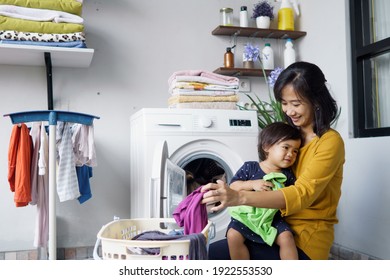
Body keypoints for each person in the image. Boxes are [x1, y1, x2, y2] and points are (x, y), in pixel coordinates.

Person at [202, 61, 345, 260]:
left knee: (212, 256)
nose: (289, 111)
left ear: (316, 100)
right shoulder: (289, 137)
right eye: (284, 103)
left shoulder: (329, 142)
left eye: (296, 104)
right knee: (207, 251)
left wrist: (239, 197)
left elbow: (301, 194)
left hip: (304, 239)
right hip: (268, 226)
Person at [227, 122, 301, 260]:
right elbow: (233, 187)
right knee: (233, 236)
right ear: (267, 147)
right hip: (246, 217)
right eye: (286, 147)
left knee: (287, 237)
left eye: (295, 151)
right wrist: (251, 184)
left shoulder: (288, 175)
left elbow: (292, 198)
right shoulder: (251, 167)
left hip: (272, 219)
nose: (291, 154)